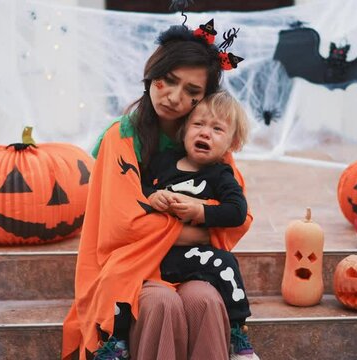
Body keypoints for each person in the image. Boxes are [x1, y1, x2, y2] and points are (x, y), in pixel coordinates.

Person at [61, 22, 253, 360]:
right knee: (161, 304)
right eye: (170, 81)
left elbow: (238, 216)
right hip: (131, 266)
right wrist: (198, 225)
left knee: (205, 301)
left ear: (203, 97)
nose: (175, 97)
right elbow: (124, 226)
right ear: (152, 73)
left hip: (191, 265)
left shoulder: (205, 138)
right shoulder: (120, 138)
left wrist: (187, 220)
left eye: (192, 90)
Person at [142, 90, 258, 360]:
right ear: (183, 131)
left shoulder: (220, 175)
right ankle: (116, 338)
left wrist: (201, 211)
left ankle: (238, 329)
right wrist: (152, 194)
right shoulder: (162, 163)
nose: (205, 133)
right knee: (118, 273)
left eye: (217, 129)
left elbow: (237, 211)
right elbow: (139, 185)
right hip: (154, 256)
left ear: (233, 143)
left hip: (193, 260)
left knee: (226, 262)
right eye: (198, 124)